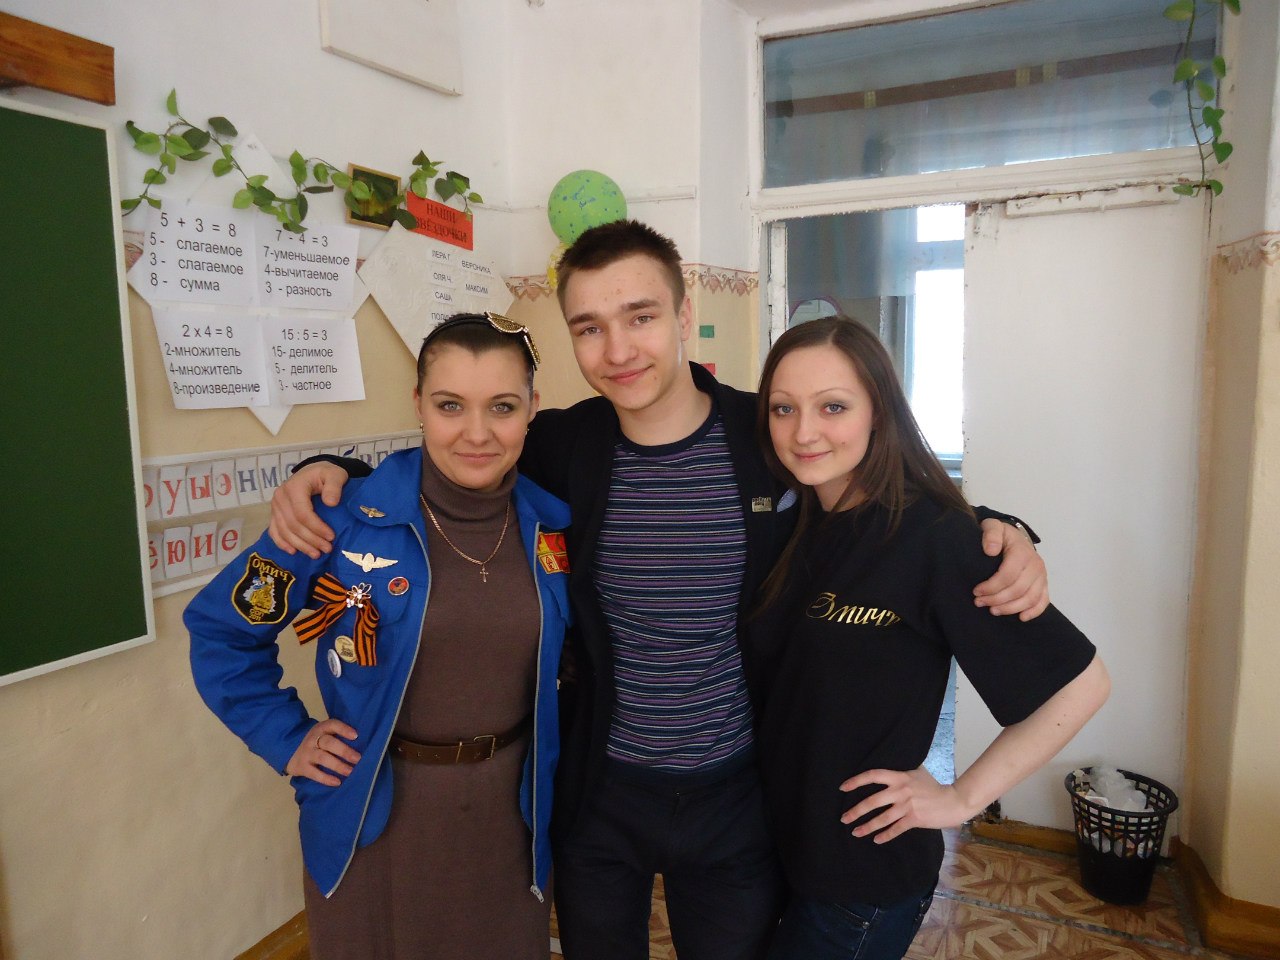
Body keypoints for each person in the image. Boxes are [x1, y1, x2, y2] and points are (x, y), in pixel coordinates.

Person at [265, 220, 1052, 960]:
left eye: (639, 317)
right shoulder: (562, 445)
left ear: (683, 314)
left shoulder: (769, 436)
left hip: (737, 797)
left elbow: (873, 494)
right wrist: (331, 471)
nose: (617, 350)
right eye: (588, 328)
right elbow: (453, 457)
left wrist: (992, 526)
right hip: (601, 795)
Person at [185, 314, 571, 960]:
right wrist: (287, 738)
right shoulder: (338, 519)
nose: (477, 432)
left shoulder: (551, 525)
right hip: (373, 816)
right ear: (418, 404)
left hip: (509, 822)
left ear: (533, 408)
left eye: (502, 407)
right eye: (450, 405)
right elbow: (220, 631)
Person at [747, 316, 1110, 960]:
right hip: (783, 850)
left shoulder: (936, 537)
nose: (803, 432)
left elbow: (1082, 685)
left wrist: (961, 798)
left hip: (862, 879)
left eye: (833, 406)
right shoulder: (796, 520)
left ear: (879, 412)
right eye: (784, 408)